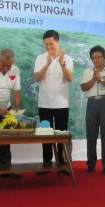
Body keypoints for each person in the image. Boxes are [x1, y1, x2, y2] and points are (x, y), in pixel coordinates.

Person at [34, 30, 73, 165]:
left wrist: (62, 64)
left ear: (58, 42)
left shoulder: (67, 58)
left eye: (51, 44)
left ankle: (62, 163)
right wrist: (47, 64)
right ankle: (47, 162)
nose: (49, 47)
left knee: (62, 136)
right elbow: (37, 78)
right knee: (46, 135)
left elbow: (70, 78)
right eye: (46, 45)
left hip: (62, 104)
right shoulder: (40, 58)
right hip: (44, 104)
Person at [80, 45, 105, 173]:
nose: (96, 60)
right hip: (92, 104)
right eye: (93, 58)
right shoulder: (87, 72)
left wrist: (101, 78)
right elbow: (84, 87)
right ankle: (91, 164)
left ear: (104, 58)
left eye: (98, 57)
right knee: (91, 135)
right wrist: (94, 78)